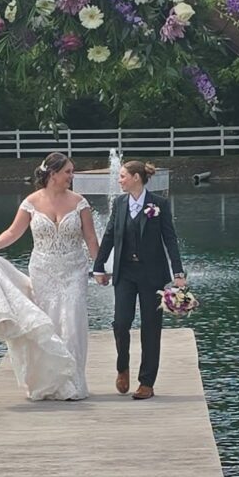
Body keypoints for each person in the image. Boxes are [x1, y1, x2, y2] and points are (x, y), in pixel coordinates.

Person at [0, 152, 99, 400]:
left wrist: (99, 267)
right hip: (43, 270)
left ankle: (73, 382)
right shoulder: (31, 202)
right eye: (67, 171)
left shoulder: (80, 203)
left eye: (71, 171)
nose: (71, 176)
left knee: (73, 323)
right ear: (53, 174)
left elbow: (90, 238)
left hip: (74, 270)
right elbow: (13, 232)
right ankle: (51, 382)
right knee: (48, 324)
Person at [92, 160, 185, 400]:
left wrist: (178, 273)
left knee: (151, 328)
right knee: (121, 323)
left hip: (152, 275)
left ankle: (147, 382)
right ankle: (122, 367)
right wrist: (98, 265)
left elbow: (170, 239)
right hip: (125, 273)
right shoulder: (120, 203)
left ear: (135, 177)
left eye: (122, 176)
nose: (119, 180)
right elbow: (110, 234)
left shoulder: (159, 204)